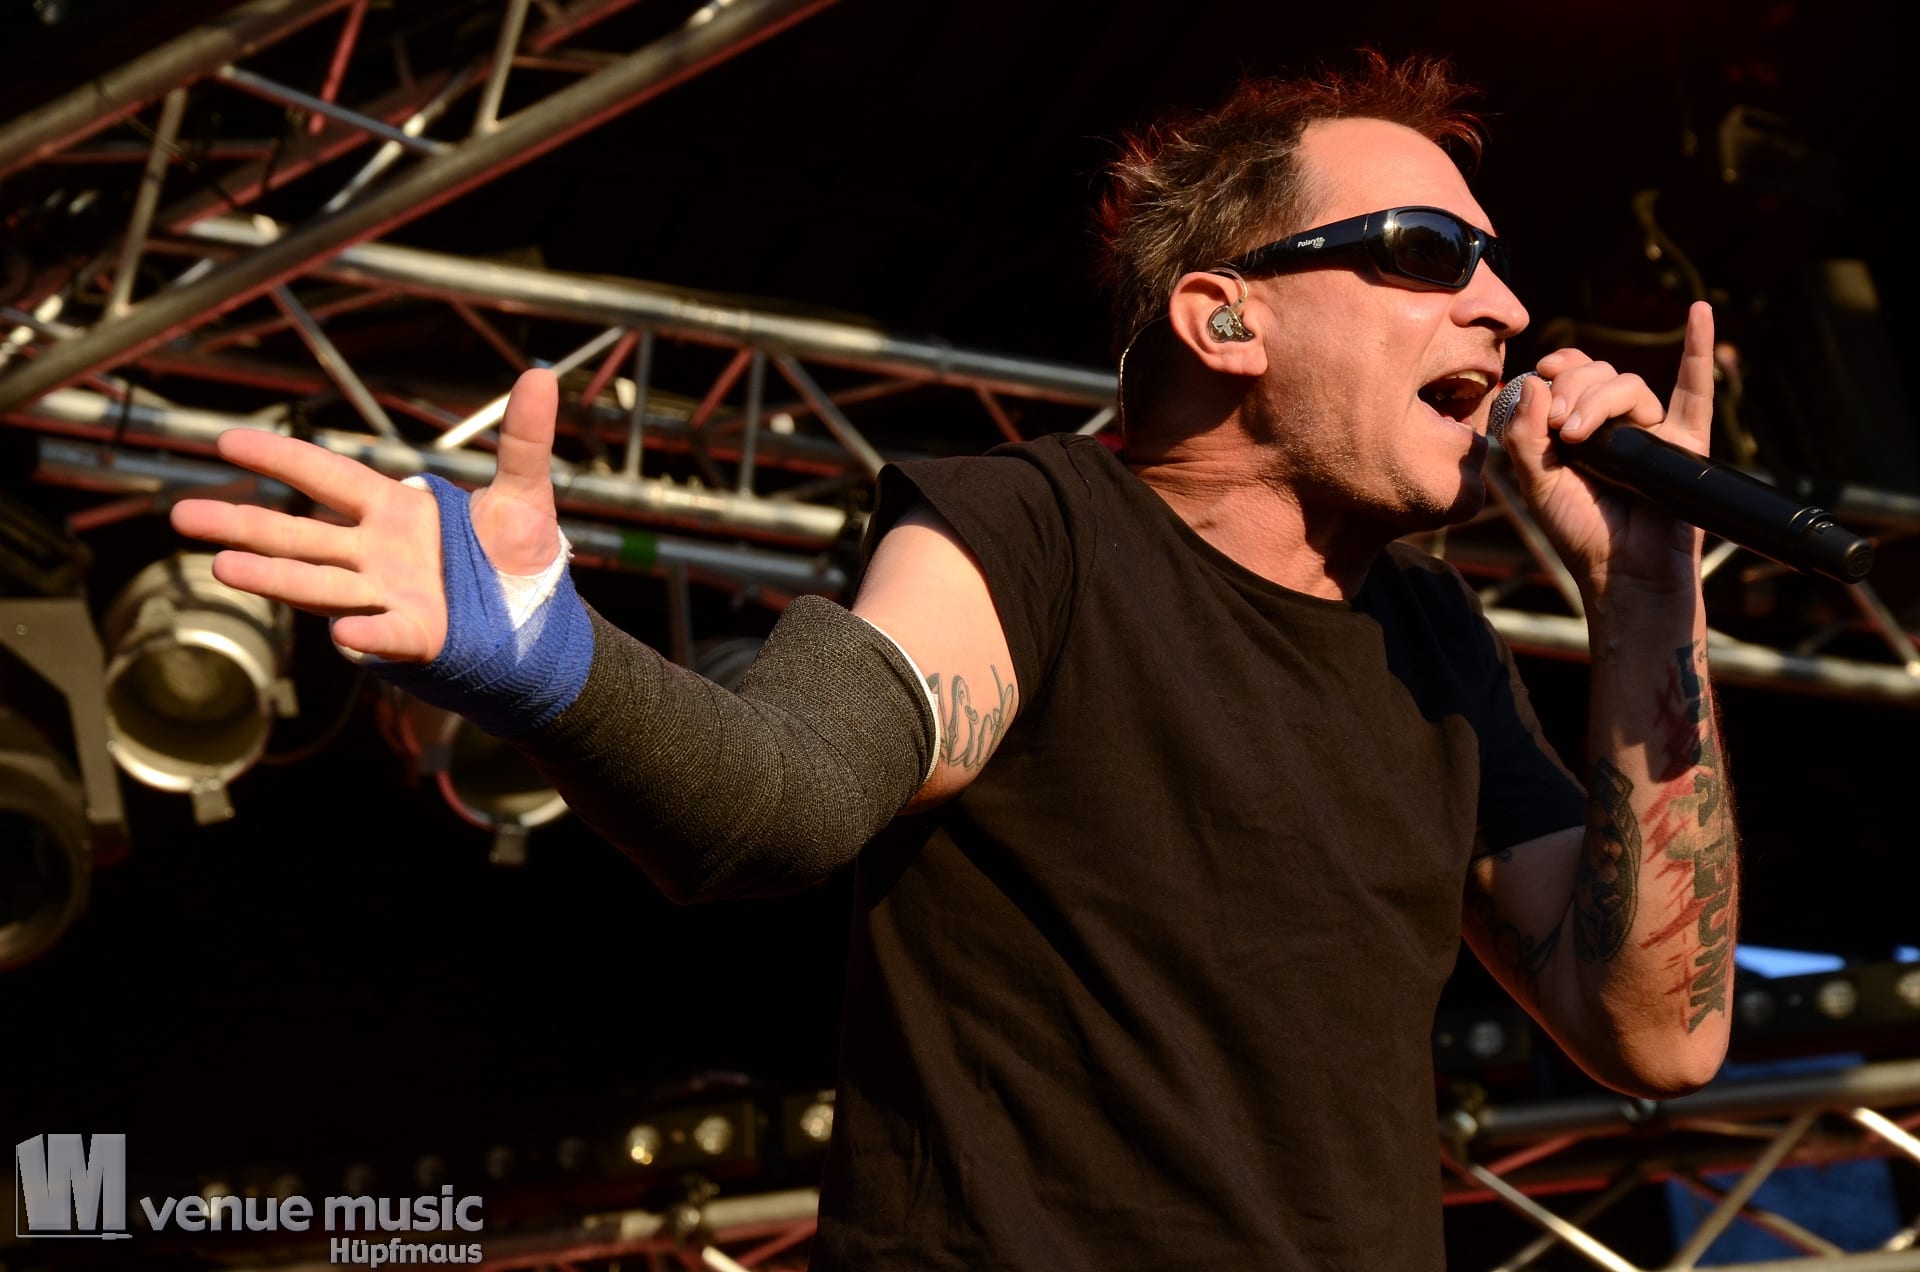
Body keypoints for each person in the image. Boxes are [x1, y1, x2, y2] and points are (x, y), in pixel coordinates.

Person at [172, 51, 1738, 1272]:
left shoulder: (1432, 643)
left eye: (1494, 262)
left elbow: (1660, 1034)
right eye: (1425, 251)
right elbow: (781, 797)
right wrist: (548, 659)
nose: (1502, 305)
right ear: (1224, 322)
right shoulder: (1035, 531)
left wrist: (1647, 595)